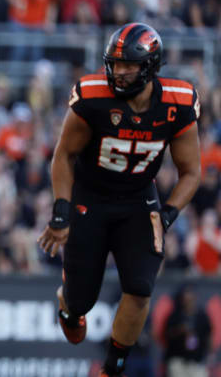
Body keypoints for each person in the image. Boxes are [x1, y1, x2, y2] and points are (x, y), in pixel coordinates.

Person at [37, 23, 201, 377]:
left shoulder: (178, 102)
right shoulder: (94, 95)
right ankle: (68, 305)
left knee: (141, 288)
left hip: (139, 200)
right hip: (90, 198)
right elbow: (64, 155)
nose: (120, 72)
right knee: (82, 300)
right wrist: (62, 211)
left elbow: (191, 172)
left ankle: (113, 368)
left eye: (128, 65)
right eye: (115, 63)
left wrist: (168, 215)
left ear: (150, 66)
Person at [163, 284, 212, 377]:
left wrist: (210, 354)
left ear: (195, 297)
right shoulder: (175, 315)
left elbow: (208, 335)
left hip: (197, 362)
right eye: (185, 296)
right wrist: (180, 330)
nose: (187, 299)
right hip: (178, 361)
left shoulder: (202, 316)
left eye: (190, 296)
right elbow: (167, 335)